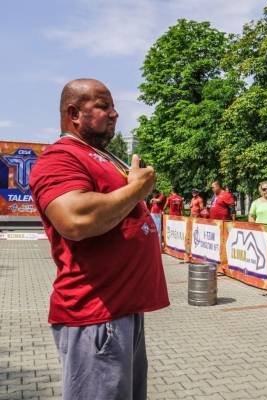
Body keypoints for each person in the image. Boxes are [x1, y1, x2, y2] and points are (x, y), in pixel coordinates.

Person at [29, 78, 169, 400]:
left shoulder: (101, 156)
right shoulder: (60, 157)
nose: (115, 114)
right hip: (95, 317)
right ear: (74, 114)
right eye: (104, 106)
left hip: (123, 312)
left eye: (114, 107)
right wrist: (138, 188)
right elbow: (76, 220)